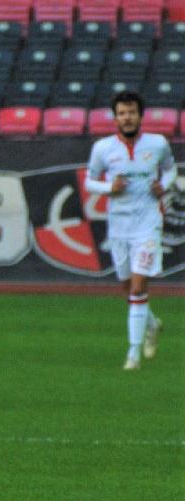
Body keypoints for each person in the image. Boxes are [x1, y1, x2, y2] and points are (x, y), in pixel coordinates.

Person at [85, 91, 177, 370]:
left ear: (140, 116)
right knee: (127, 286)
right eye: (122, 113)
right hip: (119, 226)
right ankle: (152, 324)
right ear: (115, 118)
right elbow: (89, 181)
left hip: (148, 225)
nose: (127, 118)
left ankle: (133, 354)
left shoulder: (157, 143)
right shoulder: (103, 148)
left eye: (132, 112)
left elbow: (171, 170)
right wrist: (108, 188)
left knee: (138, 287)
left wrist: (164, 186)